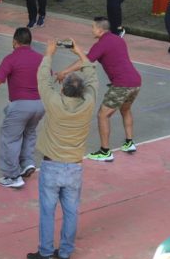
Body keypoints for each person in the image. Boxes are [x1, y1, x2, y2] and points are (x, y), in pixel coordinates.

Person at [27, 39, 98, 259]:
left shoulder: (54, 102)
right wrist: (80, 52)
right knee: (71, 212)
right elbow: (92, 76)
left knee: (47, 212)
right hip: (74, 166)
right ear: (82, 91)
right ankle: (65, 252)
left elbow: (42, 79)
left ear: (63, 88)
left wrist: (49, 54)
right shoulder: (88, 103)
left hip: (52, 165)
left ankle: (46, 253)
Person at [57, 18, 142, 161]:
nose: (91, 30)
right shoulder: (118, 39)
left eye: (93, 27)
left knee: (103, 115)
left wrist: (64, 72)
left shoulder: (101, 44)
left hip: (122, 84)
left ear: (100, 30)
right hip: (135, 81)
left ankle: (105, 152)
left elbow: (85, 62)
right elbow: (92, 57)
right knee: (125, 110)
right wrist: (78, 52)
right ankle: (129, 143)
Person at [0, 27, 44, 188]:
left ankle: (13, 176)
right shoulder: (40, 58)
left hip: (20, 105)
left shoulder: (11, 58)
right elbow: (48, 76)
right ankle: (27, 162)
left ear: (14, 42)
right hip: (39, 105)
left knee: (10, 139)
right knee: (29, 133)